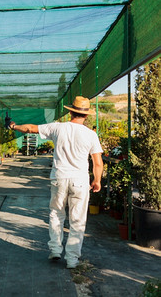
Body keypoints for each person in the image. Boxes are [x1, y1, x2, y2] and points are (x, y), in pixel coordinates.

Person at [7, 96, 103, 269]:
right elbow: (97, 162)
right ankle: (72, 260)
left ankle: (55, 250)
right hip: (80, 181)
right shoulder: (91, 135)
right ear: (86, 115)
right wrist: (97, 181)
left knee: (56, 214)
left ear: (70, 111)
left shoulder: (58, 128)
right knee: (77, 220)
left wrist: (14, 126)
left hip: (59, 177)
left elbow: (30, 128)